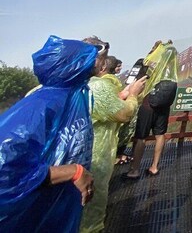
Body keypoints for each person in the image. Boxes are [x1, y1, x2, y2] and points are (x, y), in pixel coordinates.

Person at [0, 36, 106, 232]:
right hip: (34, 215)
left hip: (60, 209)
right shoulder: (40, 106)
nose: (98, 60)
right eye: (90, 56)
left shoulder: (75, 96)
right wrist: (73, 172)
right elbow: (4, 166)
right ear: (74, 65)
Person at [80, 43, 146, 233]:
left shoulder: (49, 88)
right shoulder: (99, 87)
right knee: (90, 211)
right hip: (93, 159)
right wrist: (132, 95)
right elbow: (123, 114)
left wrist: (122, 94)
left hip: (63, 166)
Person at [125, 43, 179, 179]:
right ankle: (154, 166)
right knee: (160, 134)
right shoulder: (172, 68)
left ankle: (134, 169)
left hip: (148, 104)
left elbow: (137, 79)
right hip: (164, 105)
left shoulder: (151, 65)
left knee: (141, 137)